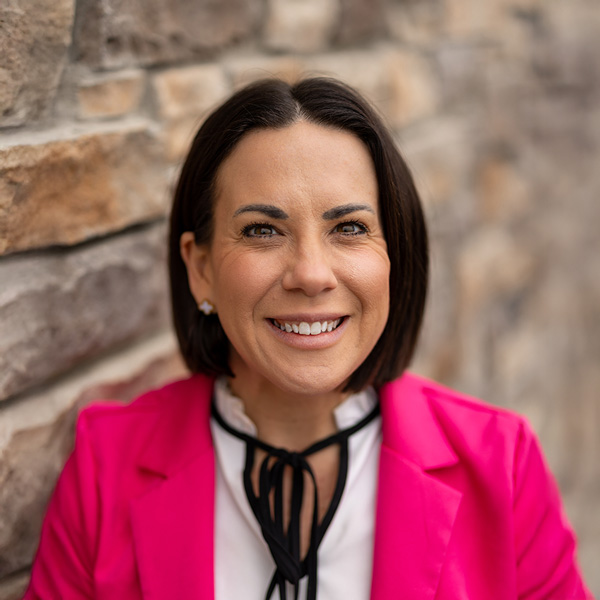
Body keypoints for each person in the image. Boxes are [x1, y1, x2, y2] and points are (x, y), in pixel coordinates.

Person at [24, 78, 592, 599]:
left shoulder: (502, 466)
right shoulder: (105, 470)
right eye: (262, 231)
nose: (312, 274)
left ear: (393, 257)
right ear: (200, 269)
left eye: (349, 228)